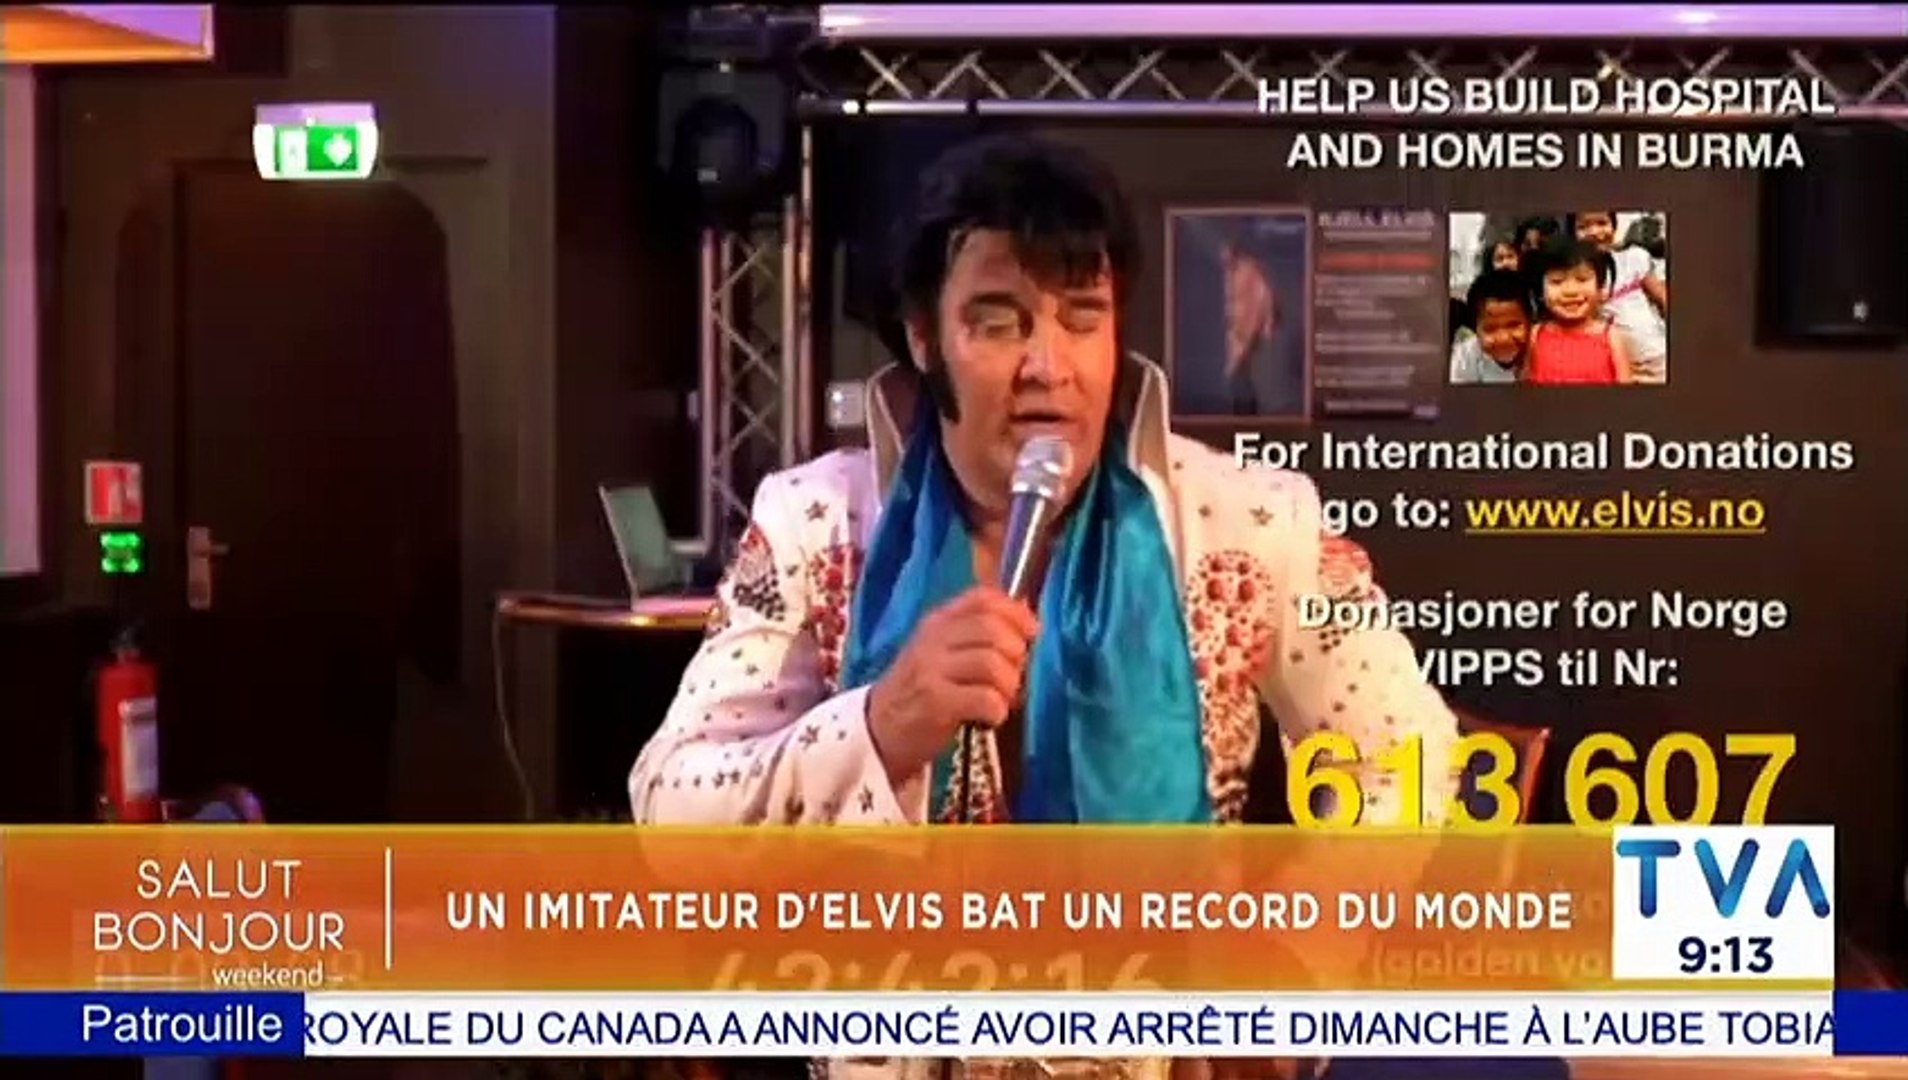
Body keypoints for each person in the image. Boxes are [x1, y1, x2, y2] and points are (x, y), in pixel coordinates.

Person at [629, 134, 1464, 1080]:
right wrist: (879, 726)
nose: (1048, 366)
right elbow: (671, 814)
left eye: (1082, 317)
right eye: (998, 322)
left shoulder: (1252, 519)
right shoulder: (814, 523)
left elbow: (1411, 752)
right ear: (922, 335)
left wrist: (1295, 960)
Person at [1523, 237, 1636, 385]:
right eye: (1557, 281)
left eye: (1582, 279)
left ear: (1600, 287)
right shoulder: (1535, 335)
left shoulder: (1611, 337)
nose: (1570, 291)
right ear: (1541, 292)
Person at [1571, 211, 1667, 383]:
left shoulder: (1633, 258)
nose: (1594, 232)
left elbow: (1662, 297)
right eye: (1583, 227)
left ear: (1614, 227)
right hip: (1614, 368)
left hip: (1657, 356)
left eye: (1602, 223)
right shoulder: (1573, 277)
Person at [1449, 269, 1532, 385]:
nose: (1503, 338)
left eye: (1514, 325)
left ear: (1530, 322)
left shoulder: (1542, 350)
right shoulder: (1465, 357)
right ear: (1475, 330)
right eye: (1490, 329)